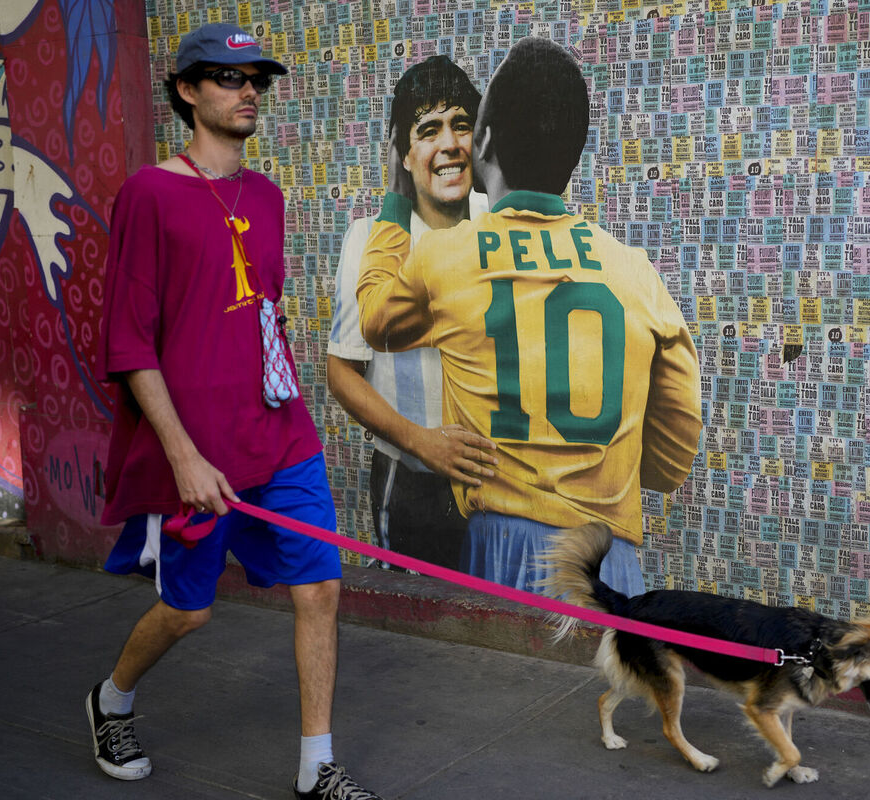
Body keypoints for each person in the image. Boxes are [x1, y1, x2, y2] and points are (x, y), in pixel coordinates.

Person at [88, 23, 379, 800]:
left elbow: (262, 316)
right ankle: (111, 699)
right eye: (225, 76)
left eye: (256, 78)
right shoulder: (150, 195)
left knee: (319, 587)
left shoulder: (268, 196)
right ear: (186, 91)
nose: (247, 89)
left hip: (279, 435)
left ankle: (317, 767)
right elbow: (129, 343)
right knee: (188, 612)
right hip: (200, 447)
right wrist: (181, 454)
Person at [357, 36, 702, 595]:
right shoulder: (637, 273)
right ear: (573, 152)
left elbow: (376, 319)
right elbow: (672, 455)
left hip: (500, 545)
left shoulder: (445, 257)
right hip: (608, 557)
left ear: (484, 142)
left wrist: (397, 198)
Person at [327, 55, 497, 570]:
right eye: (428, 130)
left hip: (500, 483)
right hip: (410, 485)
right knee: (418, 626)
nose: (449, 144)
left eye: (461, 125)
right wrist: (423, 444)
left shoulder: (502, 224)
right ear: (404, 153)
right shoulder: (372, 238)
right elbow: (341, 372)